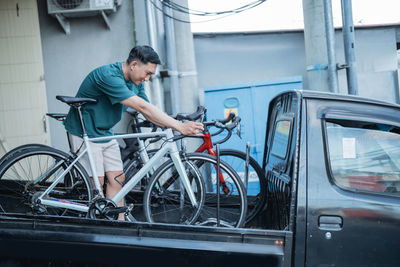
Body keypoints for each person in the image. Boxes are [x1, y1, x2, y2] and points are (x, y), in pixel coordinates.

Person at [63, 45, 203, 220]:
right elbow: (141, 106)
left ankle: (119, 226)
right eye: (148, 73)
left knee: (118, 180)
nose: (147, 78)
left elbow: (148, 110)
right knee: (96, 186)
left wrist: (170, 124)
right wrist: (179, 126)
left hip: (105, 132)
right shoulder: (109, 76)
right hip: (85, 131)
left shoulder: (136, 82)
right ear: (134, 65)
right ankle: (95, 227)